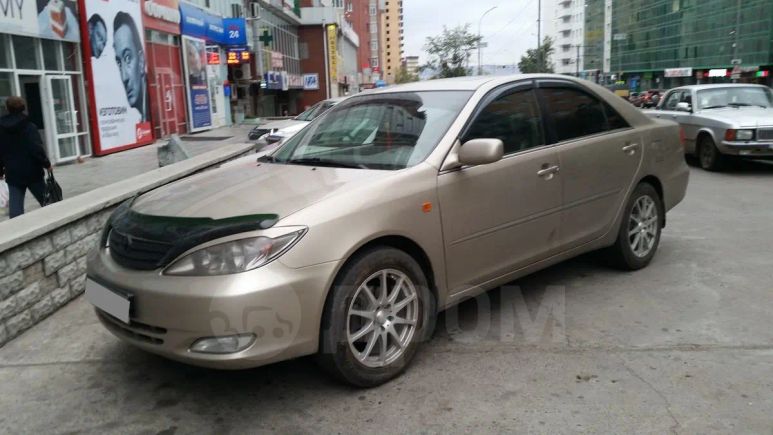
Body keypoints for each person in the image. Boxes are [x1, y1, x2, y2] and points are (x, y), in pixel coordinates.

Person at [0, 97, 52, 219]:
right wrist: (47, 164)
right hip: (33, 172)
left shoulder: (1, 128)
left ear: (8, 108)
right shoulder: (29, 126)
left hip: (12, 173)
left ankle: (17, 230)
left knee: (16, 210)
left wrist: (0, 170)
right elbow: (36, 149)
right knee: (48, 202)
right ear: (23, 107)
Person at [113, 12, 149, 122]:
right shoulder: (144, 118)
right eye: (119, 63)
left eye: (128, 58)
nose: (124, 78)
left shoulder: (152, 111)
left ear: (141, 61)